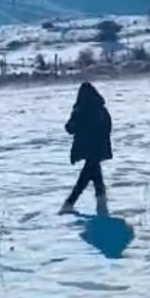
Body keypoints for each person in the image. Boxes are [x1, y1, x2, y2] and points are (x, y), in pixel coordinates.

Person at [60, 81, 112, 215]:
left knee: (86, 175)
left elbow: (70, 128)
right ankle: (101, 199)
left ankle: (70, 202)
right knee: (94, 172)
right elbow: (108, 126)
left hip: (87, 147)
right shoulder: (101, 109)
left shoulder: (81, 110)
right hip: (98, 146)